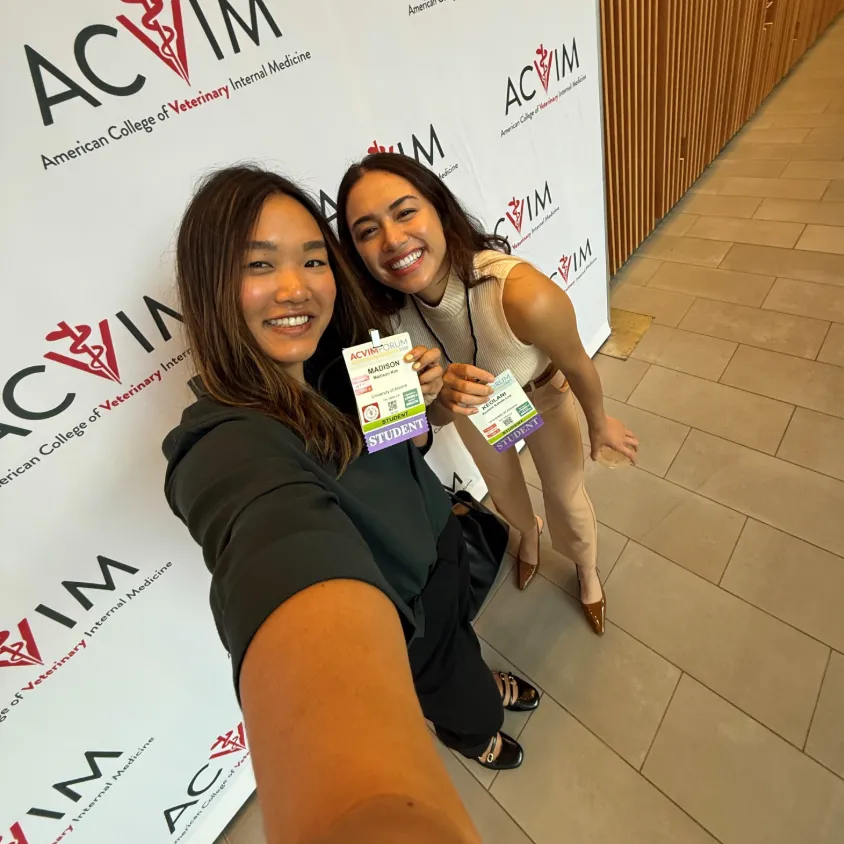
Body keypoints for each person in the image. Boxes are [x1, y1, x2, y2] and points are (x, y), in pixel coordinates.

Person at [161, 166, 541, 843]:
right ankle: (475, 732)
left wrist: (420, 403)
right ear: (210, 284)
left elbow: (408, 450)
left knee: (463, 651)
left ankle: (475, 680)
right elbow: (278, 545)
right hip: (404, 619)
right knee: (460, 698)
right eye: (259, 265)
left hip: (444, 551)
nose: (296, 287)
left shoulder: (339, 359)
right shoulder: (228, 445)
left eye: (313, 260)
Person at [336, 153, 639, 636]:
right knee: (503, 489)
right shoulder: (386, 323)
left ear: (440, 210)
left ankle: (586, 568)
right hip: (476, 409)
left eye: (405, 212)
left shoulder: (520, 292)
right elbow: (427, 427)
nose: (392, 240)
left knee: (566, 496)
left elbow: (578, 362)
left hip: (543, 394)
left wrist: (600, 422)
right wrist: (437, 398)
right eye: (367, 231)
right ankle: (527, 533)